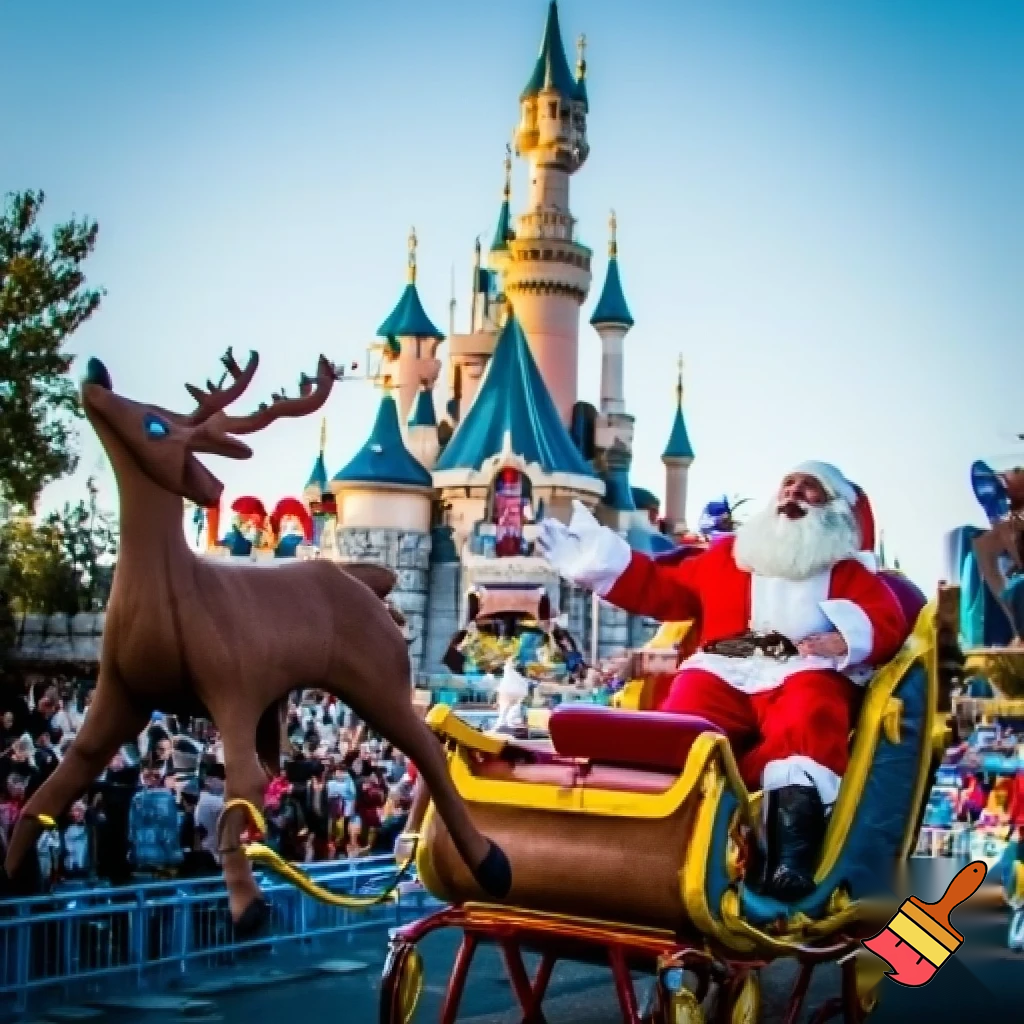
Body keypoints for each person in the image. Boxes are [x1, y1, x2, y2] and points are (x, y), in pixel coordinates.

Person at [539, 461, 910, 900]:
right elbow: (663, 588)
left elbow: (886, 619)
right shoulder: (729, 556)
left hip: (801, 669)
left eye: (809, 488)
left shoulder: (847, 573)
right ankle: (658, 834)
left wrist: (844, 638)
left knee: (809, 715)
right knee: (686, 717)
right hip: (724, 666)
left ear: (834, 509)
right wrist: (598, 563)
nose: (793, 494)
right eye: (788, 484)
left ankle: (789, 858)